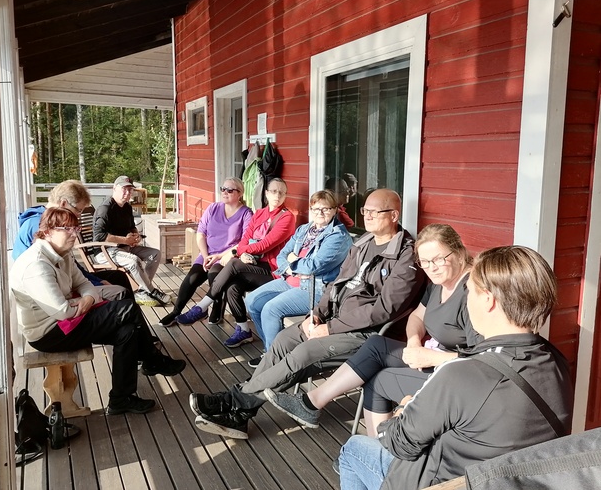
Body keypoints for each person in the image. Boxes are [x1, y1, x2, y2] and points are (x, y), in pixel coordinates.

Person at [189, 188, 427, 439]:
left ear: (394, 215)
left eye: (373, 212)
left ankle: (233, 401)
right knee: (283, 340)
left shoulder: (406, 257)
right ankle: (241, 412)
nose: (366, 216)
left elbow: (383, 310)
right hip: (334, 319)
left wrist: (329, 328)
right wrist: (317, 314)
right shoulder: (363, 243)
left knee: (302, 354)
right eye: (364, 210)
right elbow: (335, 284)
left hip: (365, 334)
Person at [338, 245, 574, 490]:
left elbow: (398, 442)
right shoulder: (556, 362)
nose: (466, 298)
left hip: (442, 483)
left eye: (468, 290)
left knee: (354, 448)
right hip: (510, 481)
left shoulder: (462, 375)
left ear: (488, 300)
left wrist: (401, 410)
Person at [265, 223, 481, 434]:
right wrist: (414, 341)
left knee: (377, 379)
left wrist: (432, 358)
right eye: (424, 262)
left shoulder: (474, 293)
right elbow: (417, 316)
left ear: (459, 252)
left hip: (457, 375)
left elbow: (485, 359)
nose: (431, 267)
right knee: (376, 345)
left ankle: (376, 445)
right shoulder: (438, 284)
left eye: (438, 259)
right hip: (429, 355)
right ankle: (313, 404)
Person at [10, 208, 187, 415]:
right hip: (49, 333)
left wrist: (87, 298)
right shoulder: (36, 265)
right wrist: (82, 299)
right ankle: (152, 360)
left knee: (128, 331)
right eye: (66, 229)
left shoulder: (62, 253)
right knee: (128, 307)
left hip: (70, 320)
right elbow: (63, 311)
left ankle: (121, 398)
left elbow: (85, 284)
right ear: (47, 232)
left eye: (75, 228)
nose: (74, 234)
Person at [169, 178, 296, 345]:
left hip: (272, 270)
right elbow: (244, 240)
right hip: (253, 265)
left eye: (281, 192)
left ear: (285, 195)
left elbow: (265, 245)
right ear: (266, 193)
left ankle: (202, 306)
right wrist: (242, 252)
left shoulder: (287, 217)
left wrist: (238, 252)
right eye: (273, 191)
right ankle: (244, 330)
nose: (277, 195)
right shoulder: (259, 214)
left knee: (233, 264)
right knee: (232, 287)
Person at [243, 189, 352, 362]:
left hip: (314, 290)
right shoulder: (304, 229)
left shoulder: (338, 236)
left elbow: (314, 266)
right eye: (316, 209)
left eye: (325, 209)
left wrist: (293, 261)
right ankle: (270, 351)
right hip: (289, 280)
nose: (320, 213)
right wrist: (292, 268)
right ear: (311, 209)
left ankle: (274, 361)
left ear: (334, 210)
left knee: (271, 309)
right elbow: (282, 255)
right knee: (251, 301)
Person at [12, 180, 131, 299]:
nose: (79, 216)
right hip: (54, 290)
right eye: (78, 210)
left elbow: (71, 265)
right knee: (121, 293)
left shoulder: (50, 220)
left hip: (67, 279)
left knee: (118, 276)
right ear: (63, 203)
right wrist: (95, 284)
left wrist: (97, 281)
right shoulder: (41, 225)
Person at [160, 177, 253, 326]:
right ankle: (176, 312)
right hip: (207, 254)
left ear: (240, 193)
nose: (225, 192)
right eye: (223, 189)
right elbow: (201, 233)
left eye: (230, 190)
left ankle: (217, 306)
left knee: (213, 275)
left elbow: (244, 242)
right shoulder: (213, 208)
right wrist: (205, 256)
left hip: (227, 257)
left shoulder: (246, 213)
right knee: (191, 278)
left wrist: (220, 256)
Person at [93, 176, 171, 306]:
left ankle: (142, 291)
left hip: (125, 247)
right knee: (133, 261)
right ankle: (151, 291)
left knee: (155, 254)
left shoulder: (127, 207)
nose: (127, 193)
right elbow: (99, 236)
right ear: (114, 188)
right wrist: (125, 240)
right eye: (124, 189)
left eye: (130, 190)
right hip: (105, 251)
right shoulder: (105, 209)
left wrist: (136, 235)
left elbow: (131, 226)